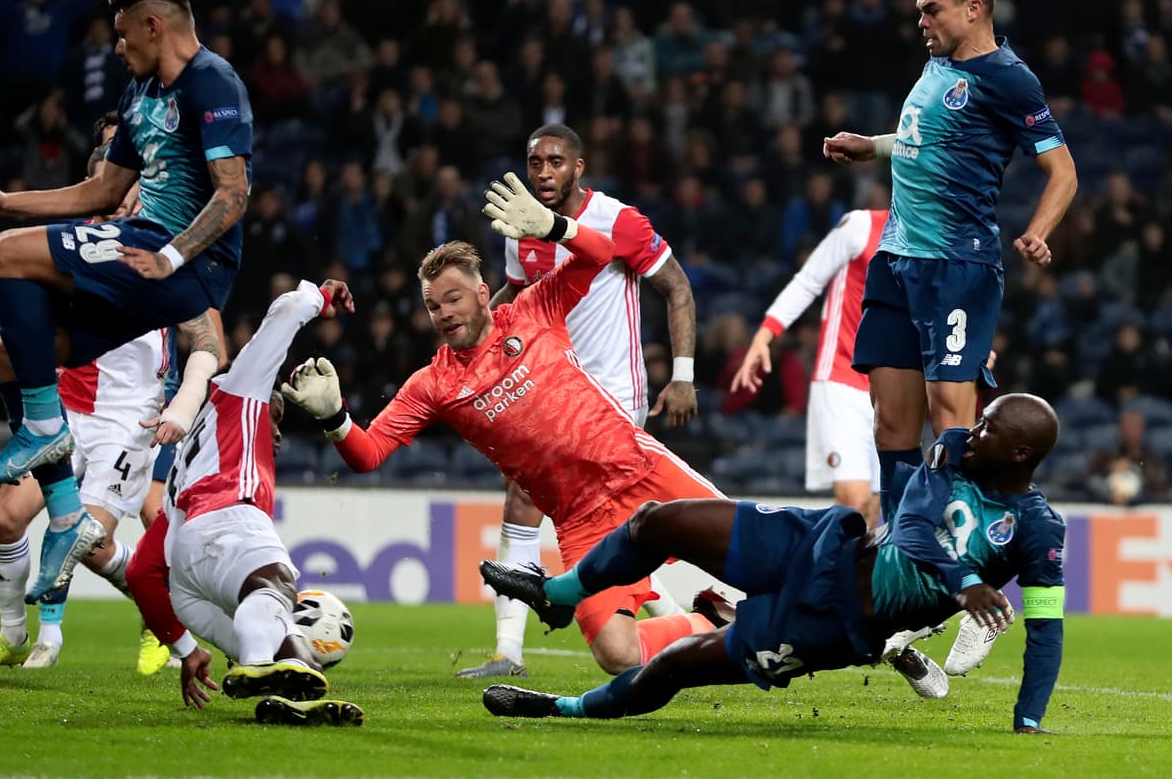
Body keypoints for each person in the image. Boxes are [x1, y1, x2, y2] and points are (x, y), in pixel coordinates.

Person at [283, 175, 726, 676]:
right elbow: (368, 455)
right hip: (581, 519)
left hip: (639, 468)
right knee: (618, 655)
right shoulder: (434, 384)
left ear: (482, 292)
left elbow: (599, 254)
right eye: (433, 305)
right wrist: (335, 417)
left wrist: (558, 227)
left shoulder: (535, 309)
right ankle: (705, 625)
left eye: (453, 298)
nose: (444, 313)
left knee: (748, 556)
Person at [480, 394, 1064, 735]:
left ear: (1019, 454)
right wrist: (964, 583)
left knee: (673, 669)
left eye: (989, 428)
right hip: (820, 543)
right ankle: (555, 595)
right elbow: (911, 529)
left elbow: (1046, 631)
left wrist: (1028, 720)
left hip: (832, 625)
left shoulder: (1038, 532)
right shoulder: (954, 449)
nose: (973, 429)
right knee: (658, 520)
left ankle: (560, 709)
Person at [0, 0, 254, 604]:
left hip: (186, 263)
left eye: (120, 34)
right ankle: (62, 505)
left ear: (152, 25)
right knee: (25, 347)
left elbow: (234, 194)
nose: (115, 47)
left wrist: (171, 256)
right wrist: (5, 202)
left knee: (7, 258)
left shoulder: (213, 81)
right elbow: (102, 192)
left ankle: (39, 432)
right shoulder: (139, 92)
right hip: (142, 254)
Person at [822, 0, 1076, 660]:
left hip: (958, 268)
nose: (921, 21)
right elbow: (924, 141)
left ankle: (978, 577)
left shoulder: (1009, 78)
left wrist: (1038, 231)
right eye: (918, 11)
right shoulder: (936, 68)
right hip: (899, 263)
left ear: (973, 9)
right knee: (891, 421)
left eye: (931, 9)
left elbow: (1063, 169)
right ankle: (919, 560)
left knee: (952, 416)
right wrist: (869, 147)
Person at [0, 146, 219, 674]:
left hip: (128, 424)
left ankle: (161, 615)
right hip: (63, 413)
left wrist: (184, 402)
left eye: (126, 187)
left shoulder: (166, 250)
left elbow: (208, 339)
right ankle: (11, 635)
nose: (116, 198)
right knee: (4, 520)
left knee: (87, 542)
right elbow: (21, 340)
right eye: (104, 186)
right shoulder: (71, 252)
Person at [459, 123, 698, 679]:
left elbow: (678, 287)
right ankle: (508, 651)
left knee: (601, 519)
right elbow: (517, 295)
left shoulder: (617, 221)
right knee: (537, 504)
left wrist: (682, 375)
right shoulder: (520, 226)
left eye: (555, 161)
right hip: (553, 394)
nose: (543, 172)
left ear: (579, 167)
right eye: (534, 161)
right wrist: (473, 331)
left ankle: (687, 614)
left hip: (614, 393)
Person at [126, 279, 364, 727]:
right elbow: (285, 312)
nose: (276, 433)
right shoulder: (239, 391)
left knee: (279, 632)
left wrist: (184, 648)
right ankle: (255, 663)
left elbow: (141, 572)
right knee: (275, 586)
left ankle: (294, 697)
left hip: (189, 587)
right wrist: (322, 297)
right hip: (228, 522)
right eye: (275, 416)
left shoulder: (185, 468)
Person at [732, 208, 888, 525]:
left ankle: (859, 575)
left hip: (892, 391)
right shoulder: (860, 225)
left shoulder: (935, 241)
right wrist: (765, 334)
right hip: (840, 381)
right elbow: (809, 280)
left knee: (879, 509)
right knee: (855, 505)